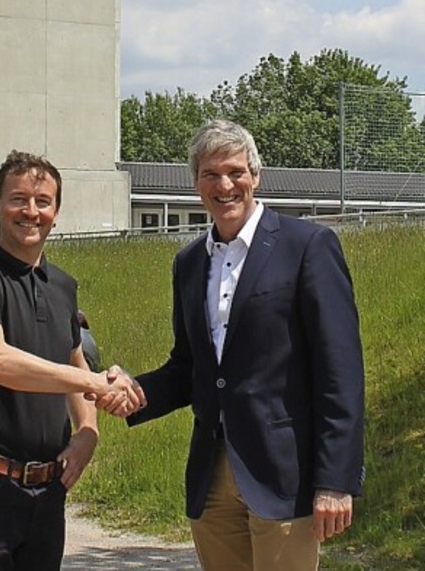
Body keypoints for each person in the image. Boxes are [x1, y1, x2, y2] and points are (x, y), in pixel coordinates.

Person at [121, 118, 365, 571]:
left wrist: (336, 479)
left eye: (235, 171)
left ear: (255, 175)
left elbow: (341, 371)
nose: (225, 184)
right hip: (212, 478)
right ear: (196, 184)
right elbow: (189, 368)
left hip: (283, 477)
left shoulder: (308, 246)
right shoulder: (189, 262)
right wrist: (132, 392)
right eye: (210, 174)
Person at [0, 149, 141, 571]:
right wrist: (100, 385)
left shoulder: (63, 286)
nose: (31, 211)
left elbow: (76, 363)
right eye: (18, 199)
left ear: (56, 211)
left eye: (42, 201)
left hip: (47, 496)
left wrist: (88, 432)